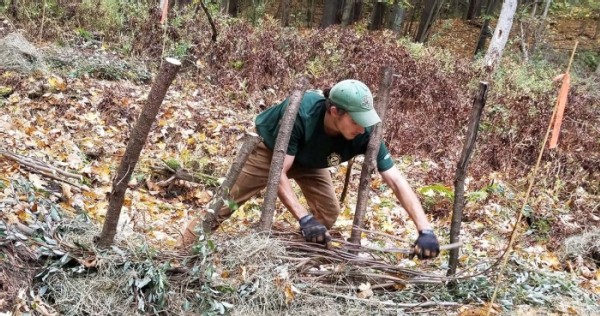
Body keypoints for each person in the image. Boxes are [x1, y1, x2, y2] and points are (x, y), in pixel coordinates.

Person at [182, 79, 440, 259]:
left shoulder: (366, 131)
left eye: (365, 121)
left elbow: (395, 179)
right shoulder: (302, 114)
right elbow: (278, 173)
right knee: (225, 203)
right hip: (272, 152)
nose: (362, 128)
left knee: (328, 212)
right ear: (335, 110)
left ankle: (289, 254)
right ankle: (181, 253)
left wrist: (425, 229)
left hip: (312, 160)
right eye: (356, 121)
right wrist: (303, 217)